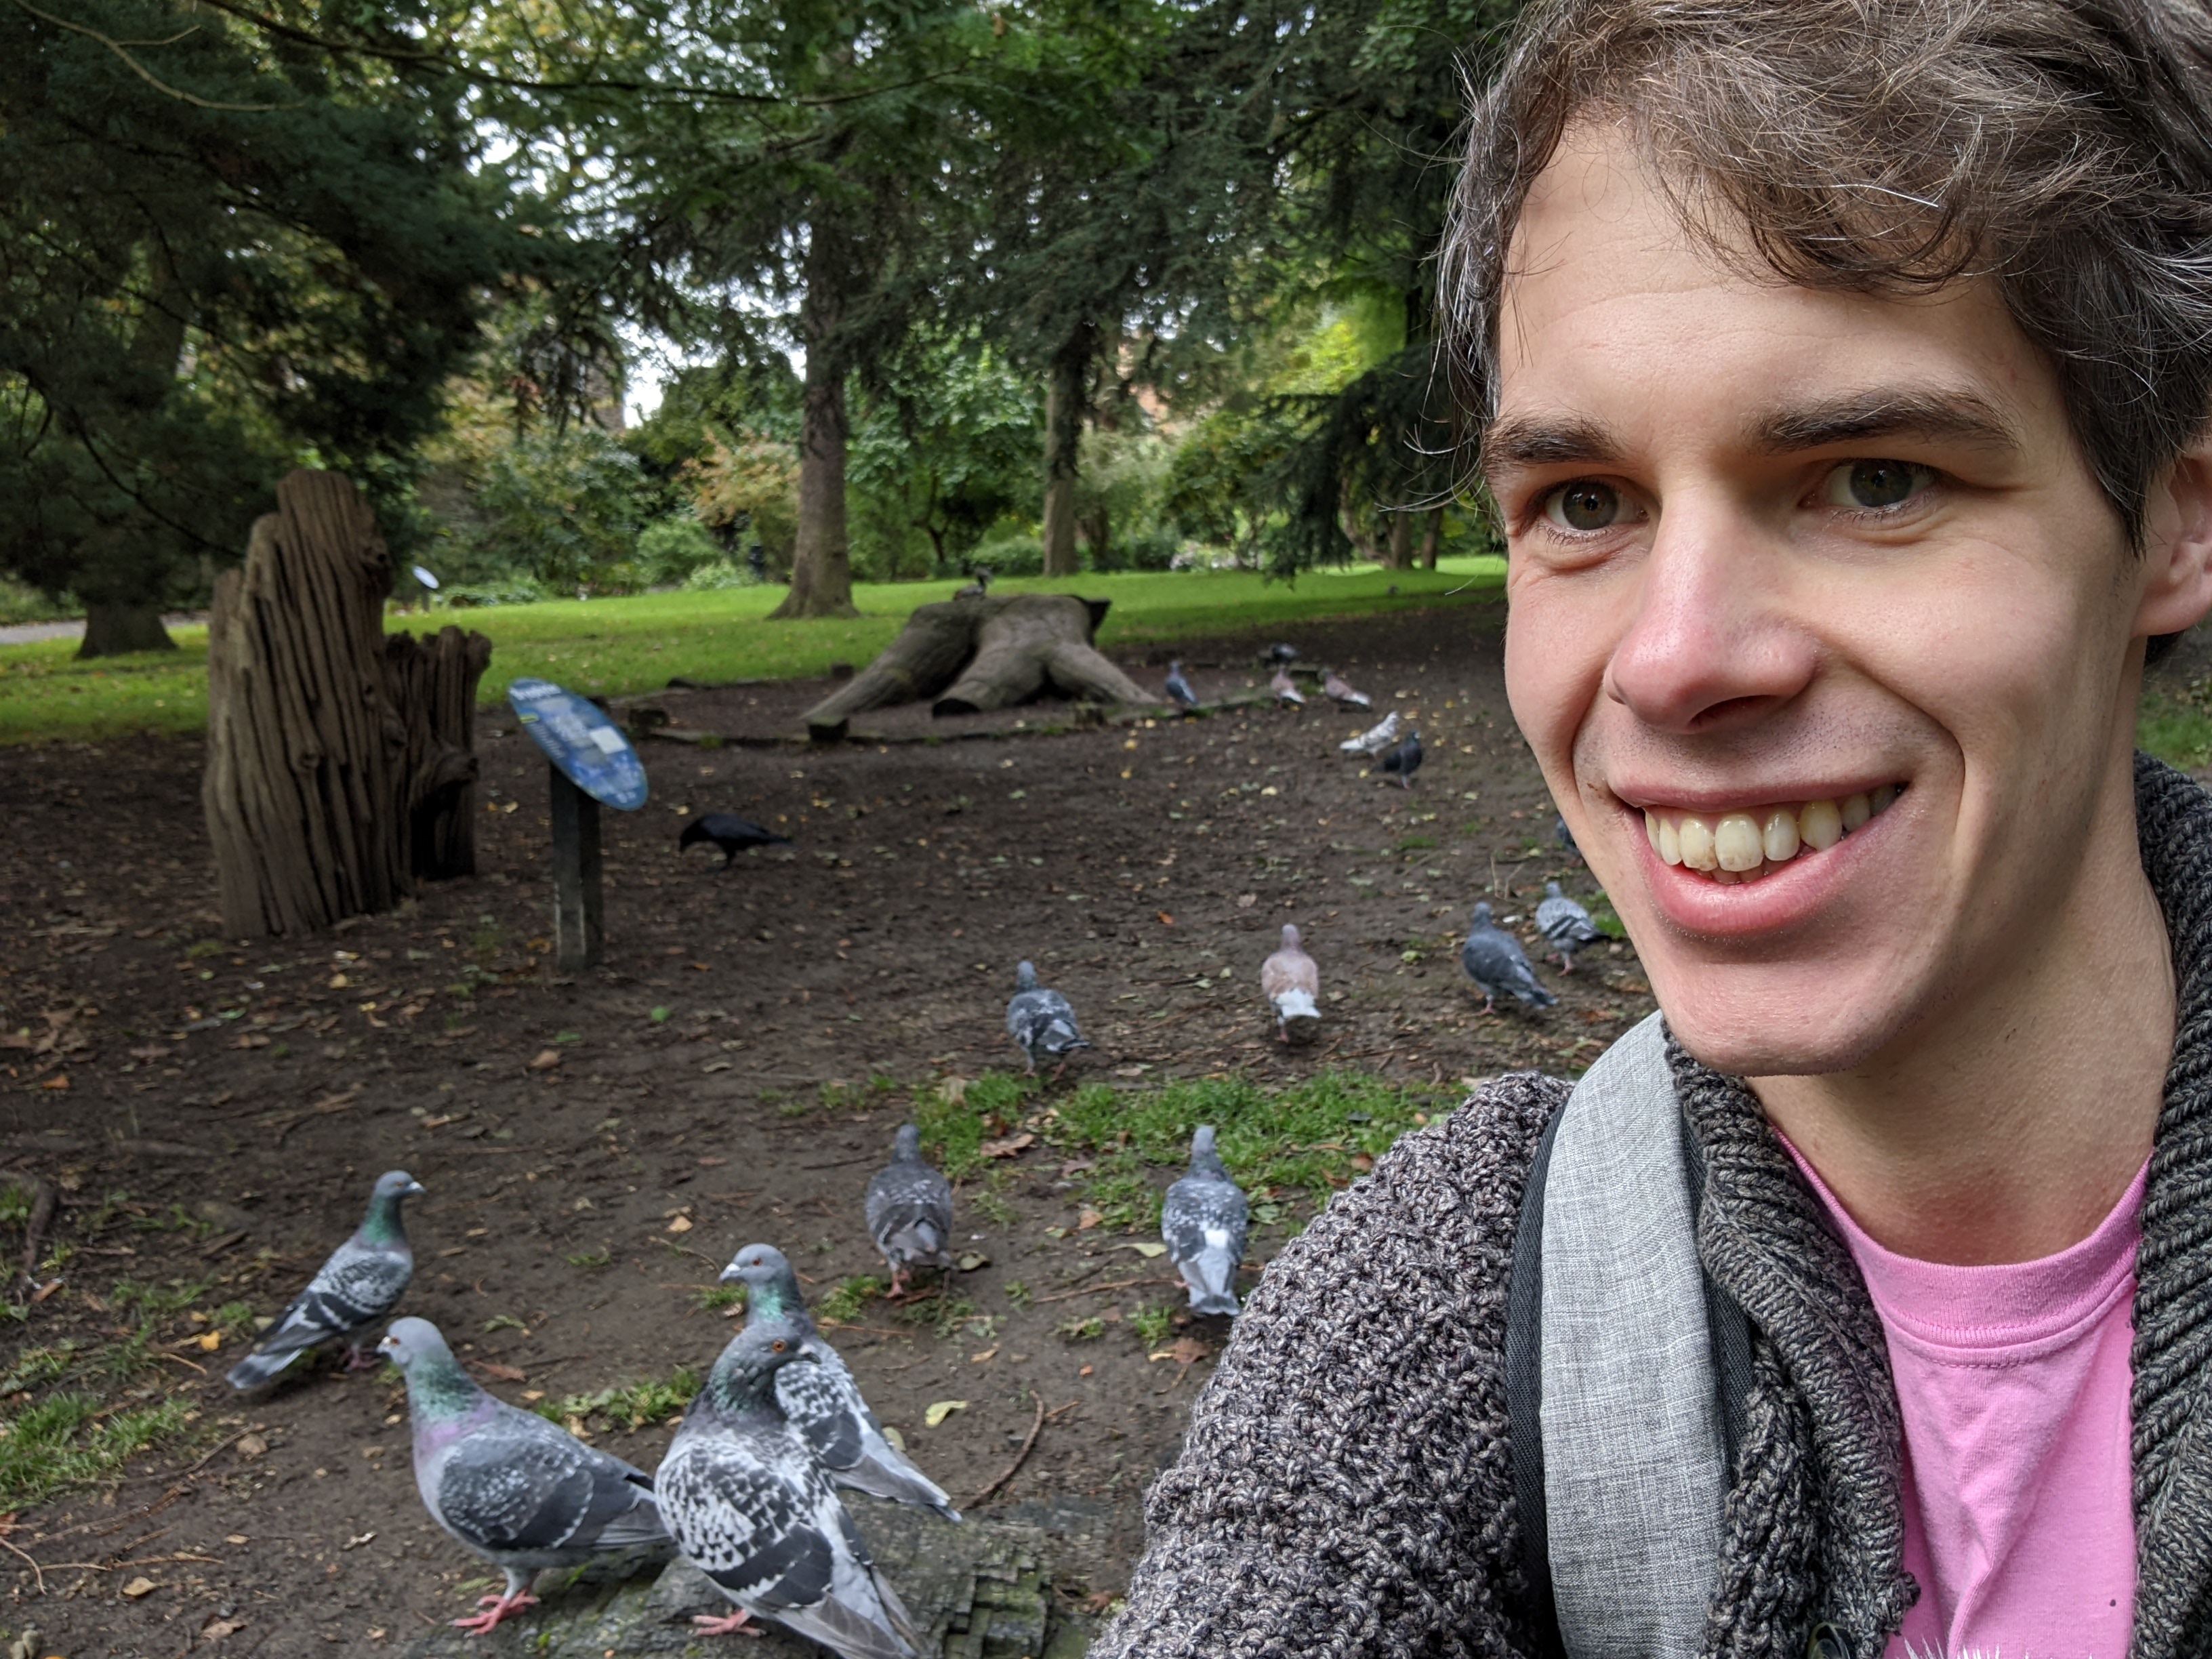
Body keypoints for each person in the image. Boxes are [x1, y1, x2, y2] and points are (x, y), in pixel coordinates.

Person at [1094, 2, 2212, 1654]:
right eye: (1587, 504)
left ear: (2175, 524)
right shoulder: (1456, 1305)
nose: (1675, 659)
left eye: (1875, 477)